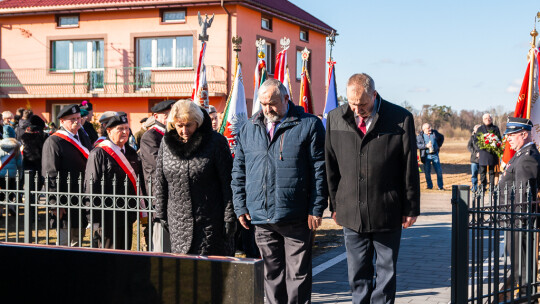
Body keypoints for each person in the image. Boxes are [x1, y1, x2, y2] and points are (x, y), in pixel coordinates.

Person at [325, 73, 420, 304]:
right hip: (351, 211)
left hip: (387, 209)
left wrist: (411, 207)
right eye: (352, 103)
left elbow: (409, 166)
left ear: (374, 95)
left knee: (386, 273)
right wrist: (335, 204)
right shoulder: (335, 118)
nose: (357, 110)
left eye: (363, 104)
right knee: (357, 273)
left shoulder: (400, 118)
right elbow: (331, 166)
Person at [232, 79, 327, 303]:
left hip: (296, 216)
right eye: (263, 104)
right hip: (261, 216)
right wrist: (240, 206)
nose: (267, 109)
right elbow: (239, 170)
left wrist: (316, 207)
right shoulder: (249, 127)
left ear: (286, 99)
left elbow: (319, 170)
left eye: (272, 103)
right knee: (271, 274)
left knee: (298, 275)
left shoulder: (308, 124)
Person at [153, 100, 236, 256]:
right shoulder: (166, 143)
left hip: (210, 221)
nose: (184, 130)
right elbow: (160, 180)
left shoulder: (215, 142)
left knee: (210, 271)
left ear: (197, 122)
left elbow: (228, 182)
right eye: (179, 126)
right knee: (185, 272)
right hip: (177, 221)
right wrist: (161, 214)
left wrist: (229, 216)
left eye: (189, 125)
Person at [85, 112, 143, 250]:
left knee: (125, 251)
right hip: (107, 215)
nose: (125, 132)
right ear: (109, 131)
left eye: (127, 128)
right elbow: (91, 185)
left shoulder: (130, 152)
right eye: (120, 129)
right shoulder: (99, 153)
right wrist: (93, 216)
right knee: (109, 254)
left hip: (126, 213)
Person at [498, 117, 540, 295]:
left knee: (520, 260)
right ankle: (523, 290)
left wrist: (518, 220)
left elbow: (524, 193)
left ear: (524, 134)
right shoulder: (521, 154)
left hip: (518, 220)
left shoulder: (526, 158)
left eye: (512, 135)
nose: (508, 138)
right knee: (517, 259)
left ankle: (524, 294)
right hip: (513, 218)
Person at [42, 104, 92, 246]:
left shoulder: (83, 136)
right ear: (62, 121)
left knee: (78, 241)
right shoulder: (54, 141)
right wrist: (55, 203)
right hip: (64, 198)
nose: (77, 122)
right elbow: (50, 173)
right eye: (72, 119)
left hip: (81, 198)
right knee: (64, 243)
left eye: (78, 118)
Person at [139, 99, 175, 252]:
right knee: (161, 236)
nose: (171, 118)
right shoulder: (151, 136)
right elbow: (156, 163)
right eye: (166, 115)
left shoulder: (175, 133)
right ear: (156, 116)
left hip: (175, 189)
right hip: (159, 189)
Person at [475, 113, 501, 191]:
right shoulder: (480, 129)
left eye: (489, 118)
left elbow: (499, 139)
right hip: (483, 152)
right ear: (483, 120)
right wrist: (478, 150)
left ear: (491, 119)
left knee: (492, 171)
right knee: (482, 171)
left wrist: (494, 144)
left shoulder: (495, 128)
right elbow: (476, 140)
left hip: (492, 153)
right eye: (486, 119)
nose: (487, 120)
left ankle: (491, 187)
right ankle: (483, 186)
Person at [416, 123, 445, 190]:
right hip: (426, 156)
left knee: (439, 171)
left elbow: (442, 137)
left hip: (435, 155)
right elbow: (417, 145)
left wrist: (438, 146)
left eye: (430, 127)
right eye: (428, 128)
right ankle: (429, 186)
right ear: (424, 130)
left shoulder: (434, 133)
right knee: (427, 172)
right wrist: (426, 146)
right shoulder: (420, 136)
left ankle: (440, 187)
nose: (430, 129)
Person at [0, 137, 22, 216]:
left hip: (1, 172)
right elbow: (19, 163)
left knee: (2, 191)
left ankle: (1, 210)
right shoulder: (16, 147)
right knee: (11, 190)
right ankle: (11, 207)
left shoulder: (0, 146)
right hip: (12, 173)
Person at [468, 124, 481, 192]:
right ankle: (474, 187)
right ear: (474, 130)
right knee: (474, 175)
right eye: (477, 129)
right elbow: (469, 147)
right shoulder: (472, 138)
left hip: (482, 159)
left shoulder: (484, 137)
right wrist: (475, 153)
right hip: (474, 159)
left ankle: (482, 187)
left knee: (482, 175)